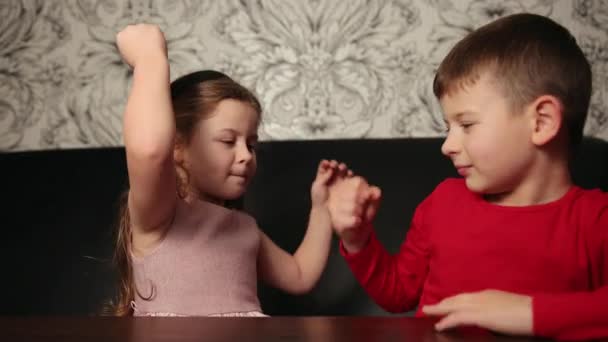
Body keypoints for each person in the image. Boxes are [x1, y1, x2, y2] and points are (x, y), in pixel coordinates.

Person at [326, 13, 608, 340]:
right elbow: (398, 294)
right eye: (448, 128)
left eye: (467, 125)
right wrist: (358, 240)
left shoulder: (595, 219)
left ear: (541, 122)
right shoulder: (443, 203)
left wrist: (529, 312)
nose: (447, 145)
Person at [111, 23, 348, 317]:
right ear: (177, 146)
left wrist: (321, 207)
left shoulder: (244, 228)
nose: (246, 156)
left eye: (251, 144)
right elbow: (149, 151)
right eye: (227, 141)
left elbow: (300, 274)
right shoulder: (161, 213)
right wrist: (150, 58)